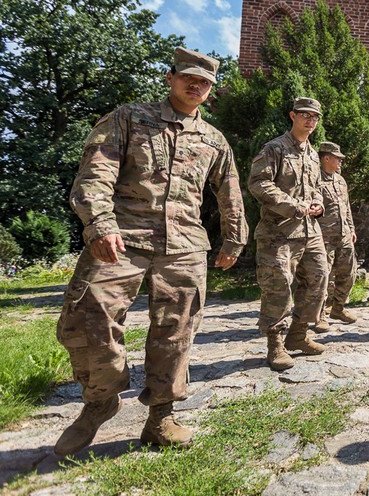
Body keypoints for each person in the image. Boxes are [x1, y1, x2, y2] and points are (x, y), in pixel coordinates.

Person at [54, 48, 248, 456]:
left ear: (211, 90)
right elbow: (96, 171)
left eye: (205, 82)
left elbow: (229, 191)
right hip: (121, 237)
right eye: (188, 78)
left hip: (184, 246)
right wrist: (99, 223)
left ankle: (160, 415)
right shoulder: (128, 117)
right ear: (170, 77)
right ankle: (100, 400)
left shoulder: (214, 139)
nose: (196, 86)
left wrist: (234, 238)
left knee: (175, 331)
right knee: (87, 317)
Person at [249, 97, 329, 372]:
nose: (310, 120)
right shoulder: (275, 148)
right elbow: (259, 183)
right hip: (279, 232)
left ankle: (298, 334)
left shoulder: (312, 153)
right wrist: (294, 206)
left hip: (310, 231)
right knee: (279, 287)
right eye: (305, 115)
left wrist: (318, 203)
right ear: (292, 115)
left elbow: (316, 186)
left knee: (319, 278)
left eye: (315, 117)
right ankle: (276, 344)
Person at [313, 142, 358, 333]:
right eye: (337, 158)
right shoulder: (314, 179)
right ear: (326, 158)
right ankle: (320, 315)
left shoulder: (340, 180)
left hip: (344, 235)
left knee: (349, 273)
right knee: (322, 277)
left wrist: (352, 228)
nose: (340, 161)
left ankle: (338, 308)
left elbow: (346, 207)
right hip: (323, 236)